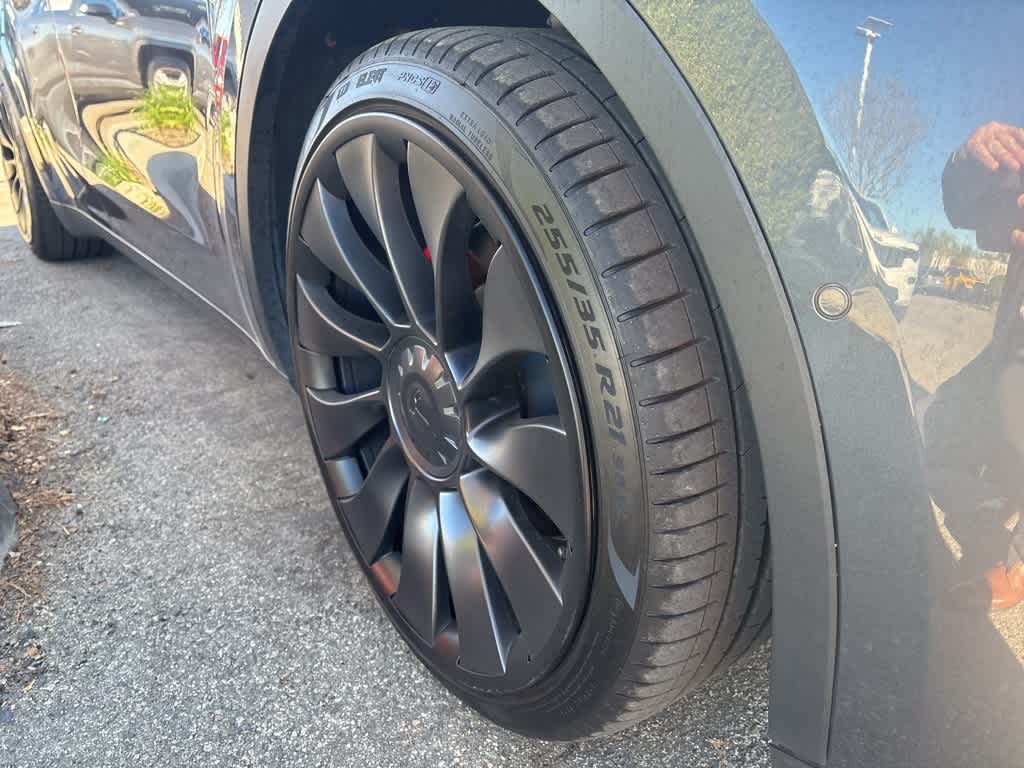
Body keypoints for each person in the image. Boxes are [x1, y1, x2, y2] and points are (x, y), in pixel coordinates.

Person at [930, 121, 1024, 611]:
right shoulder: (1018, 152)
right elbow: (964, 211)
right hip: (1009, 353)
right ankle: (989, 523)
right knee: (931, 429)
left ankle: (1015, 562)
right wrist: (967, 163)